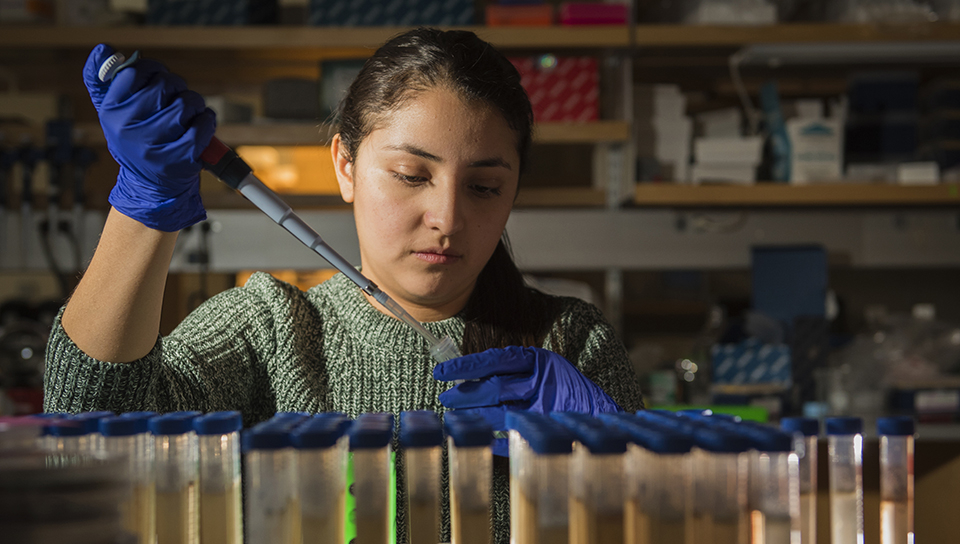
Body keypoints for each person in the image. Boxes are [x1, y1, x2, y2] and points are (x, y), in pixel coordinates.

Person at [44, 28, 643, 543]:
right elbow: (87, 443)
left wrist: (616, 452)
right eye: (412, 175)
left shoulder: (568, 343)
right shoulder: (273, 329)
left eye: (484, 187)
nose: (447, 218)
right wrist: (144, 206)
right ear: (345, 166)